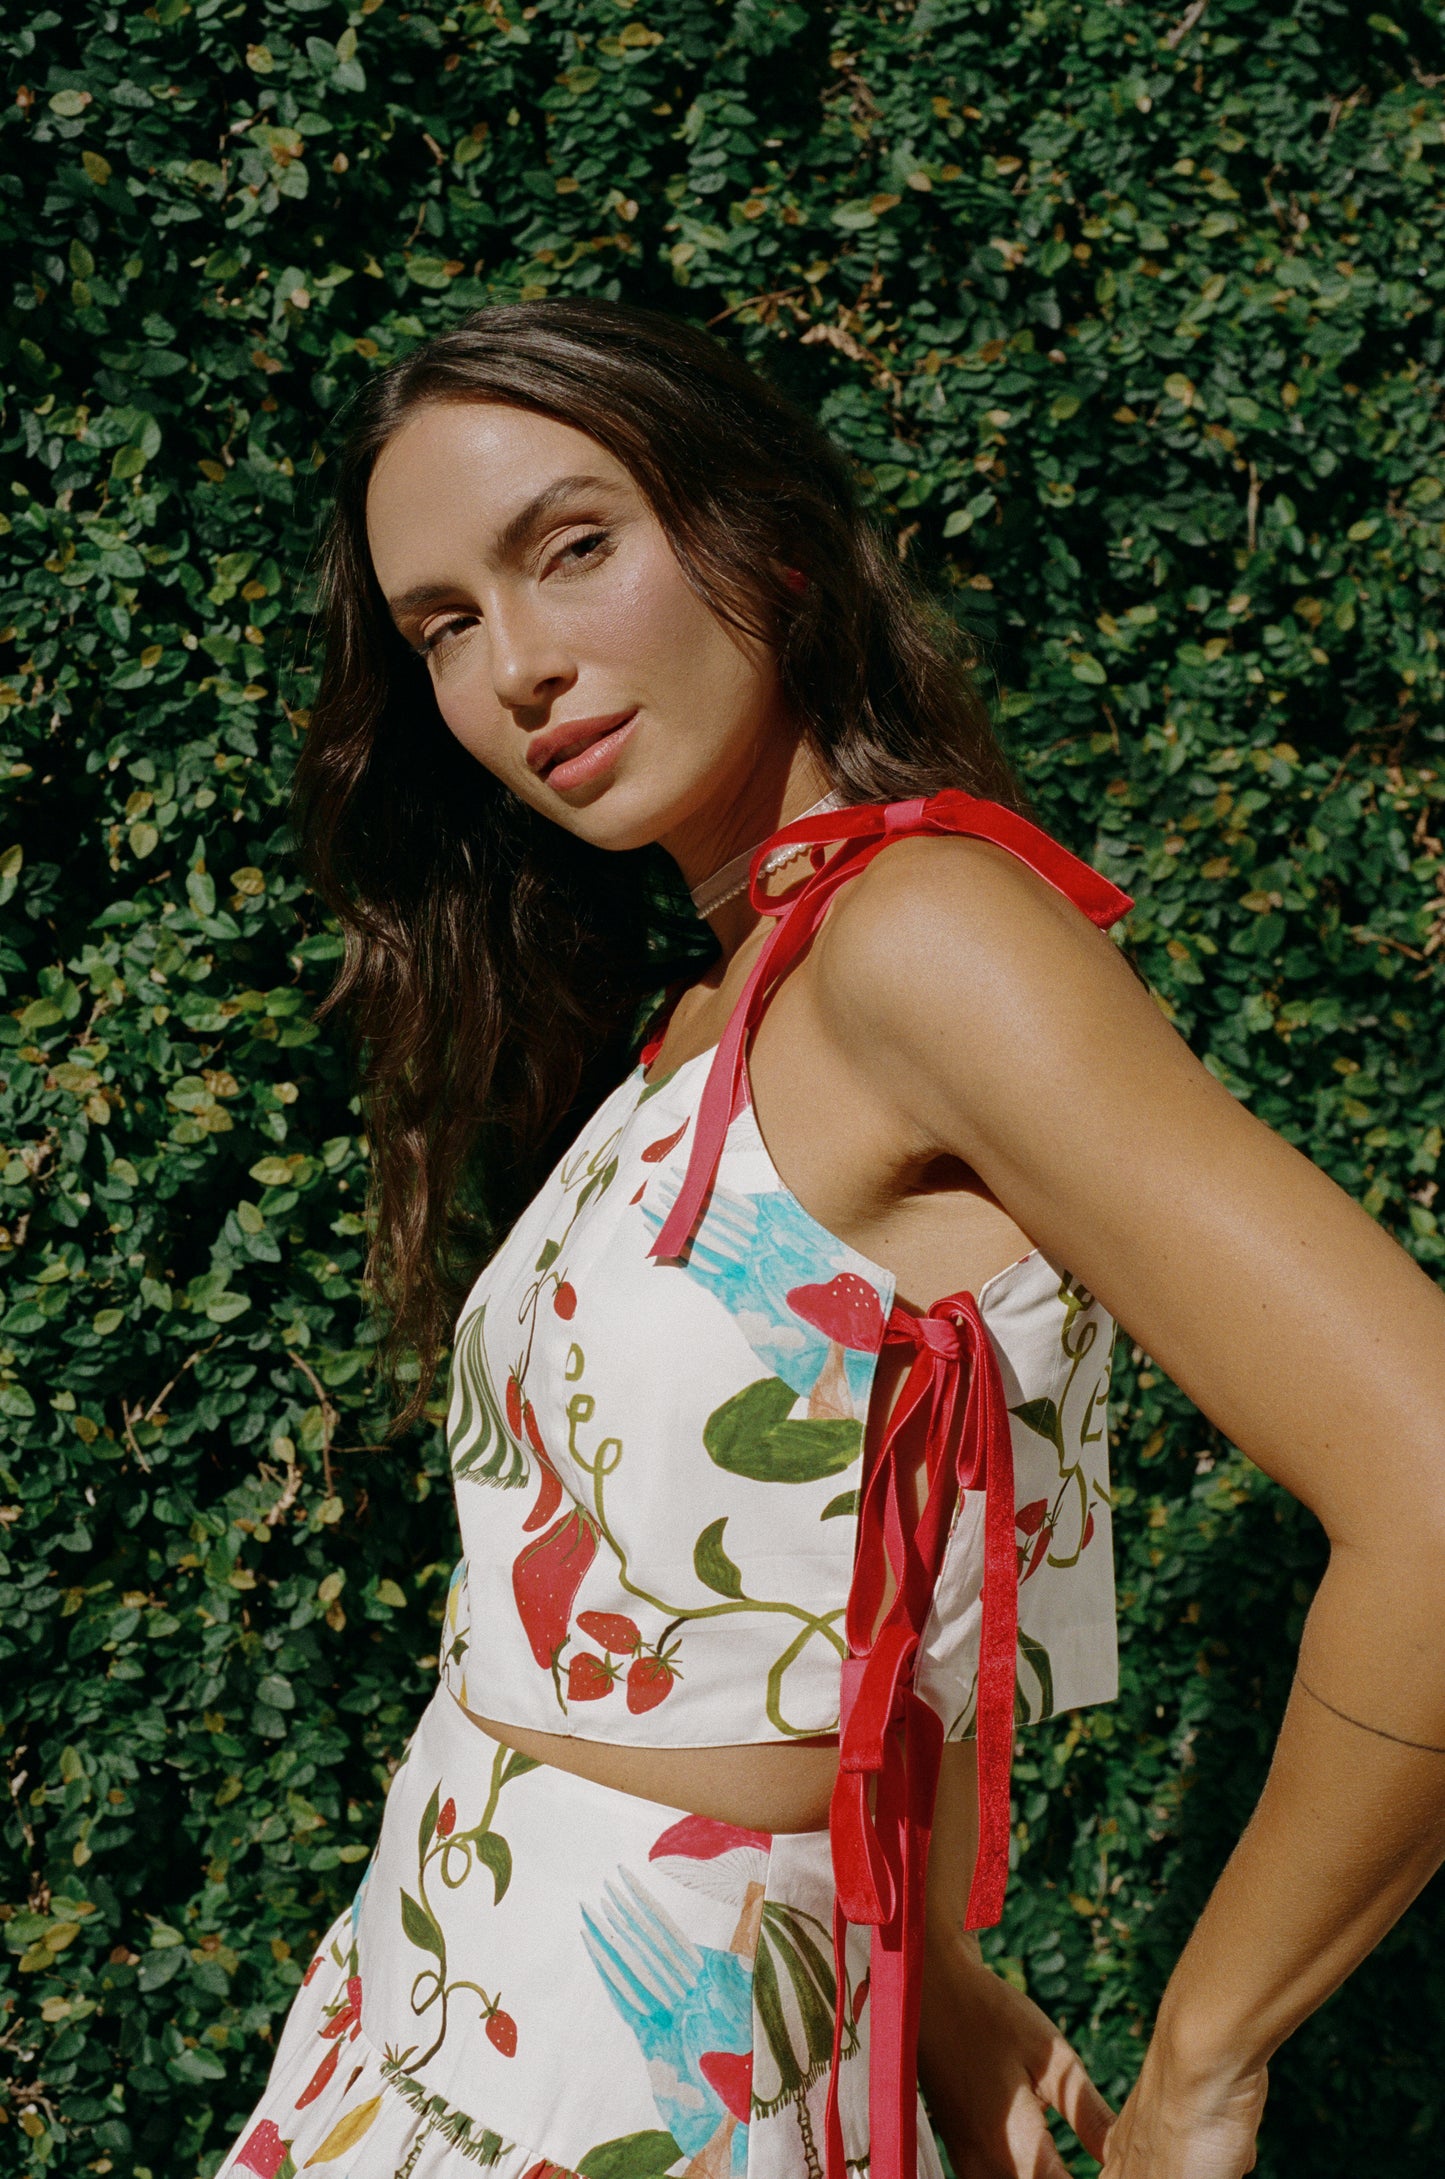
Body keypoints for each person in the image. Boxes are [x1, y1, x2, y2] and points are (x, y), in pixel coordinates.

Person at [218, 301, 1445, 2179]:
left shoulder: (919, 940)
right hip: (440, 1987)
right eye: (443, 626)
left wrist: (1204, 2065)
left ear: (767, 538)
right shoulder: (724, 995)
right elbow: (828, 1569)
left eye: (573, 547)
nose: (517, 666)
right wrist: (929, 1975)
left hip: (639, 2074)